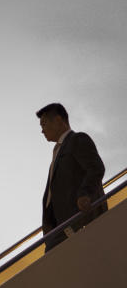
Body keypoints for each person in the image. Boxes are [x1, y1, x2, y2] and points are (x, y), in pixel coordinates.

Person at [37, 103, 107, 251]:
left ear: (57, 120)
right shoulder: (56, 154)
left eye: (44, 123)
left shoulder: (77, 139)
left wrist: (84, 194)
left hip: (78, 224)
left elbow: (96, 168)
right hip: (58, 232)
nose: (42, 130)